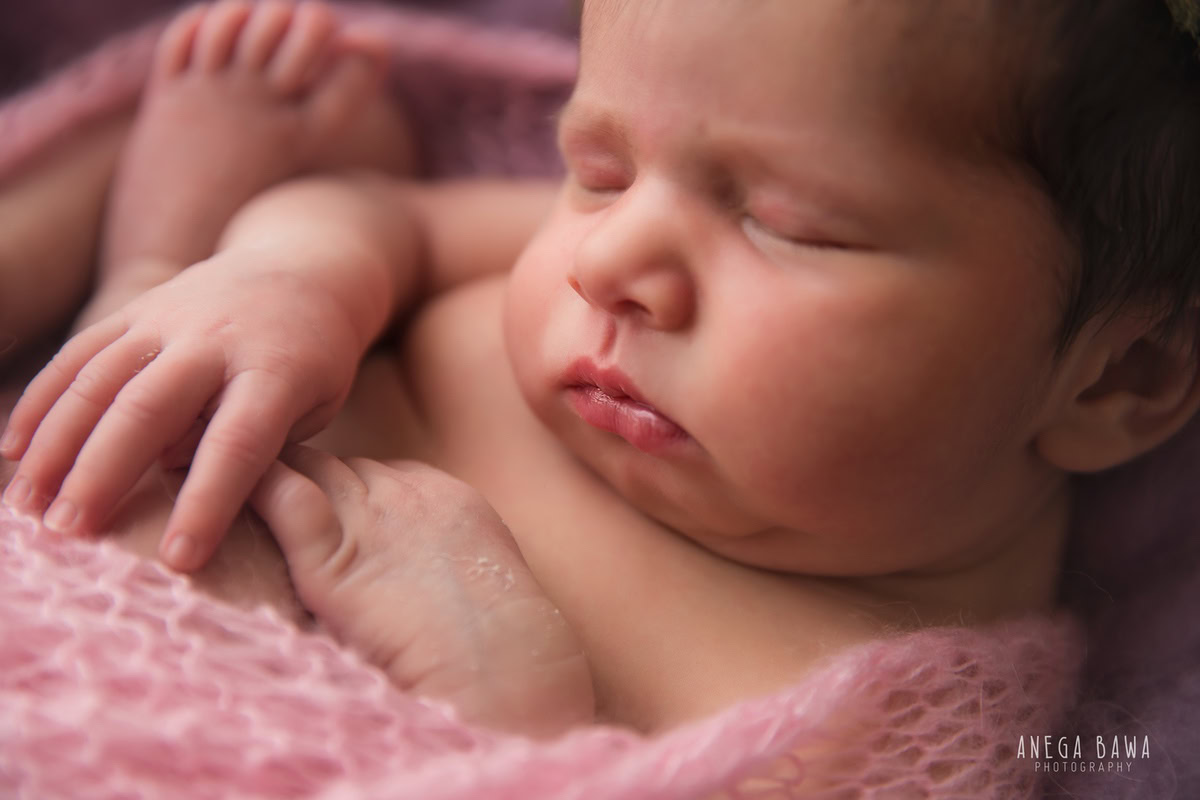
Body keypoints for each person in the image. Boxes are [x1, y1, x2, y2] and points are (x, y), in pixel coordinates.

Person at [3, 0, 1200, 744]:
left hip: (141, 687)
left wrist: (510, 700)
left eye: (790, 224)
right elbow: (392, 217)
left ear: (1118, 378)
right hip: (104, 468)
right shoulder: (583, 252)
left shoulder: (900, 713)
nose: (610, 259)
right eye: (599, 167)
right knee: (225, 253)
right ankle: (151, 273)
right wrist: (290, 280)